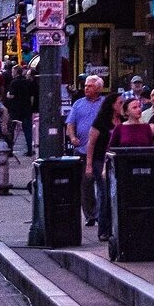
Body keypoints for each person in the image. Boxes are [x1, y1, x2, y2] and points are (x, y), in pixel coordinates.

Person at [86, 92, 127, 240]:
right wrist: (89, 165)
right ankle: (103, 229)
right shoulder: (101, 121)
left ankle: (116, 227)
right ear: (112, 105)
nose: (122, 106)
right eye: (120, 103)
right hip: (100, 161)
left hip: (117, 161)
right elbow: (91, 143)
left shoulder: (123, 120)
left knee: (116, 194)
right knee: (104, 193)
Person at [66, 75, 106, 227]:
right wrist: (72, 137)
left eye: (90, 86)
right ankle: (90, 214)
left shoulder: (104, 104)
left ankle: (102, 213)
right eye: (86, 86)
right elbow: (70, 123)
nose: (86, 88)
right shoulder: (78, 104)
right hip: (82, 149)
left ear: (98, 88)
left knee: (102, 184)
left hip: (100, 150)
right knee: (85, 184)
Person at [7, 64, 36, 156]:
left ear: (15, 72)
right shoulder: (27, 82)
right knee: (27, 130)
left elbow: (12, 95)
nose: (12, 74)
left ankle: (10, 150)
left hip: (15, 109)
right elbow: (32, 96)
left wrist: (8, 95)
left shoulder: (14, 82)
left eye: (12, 72)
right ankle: (30, 149)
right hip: (26, 108)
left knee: (11, 129)